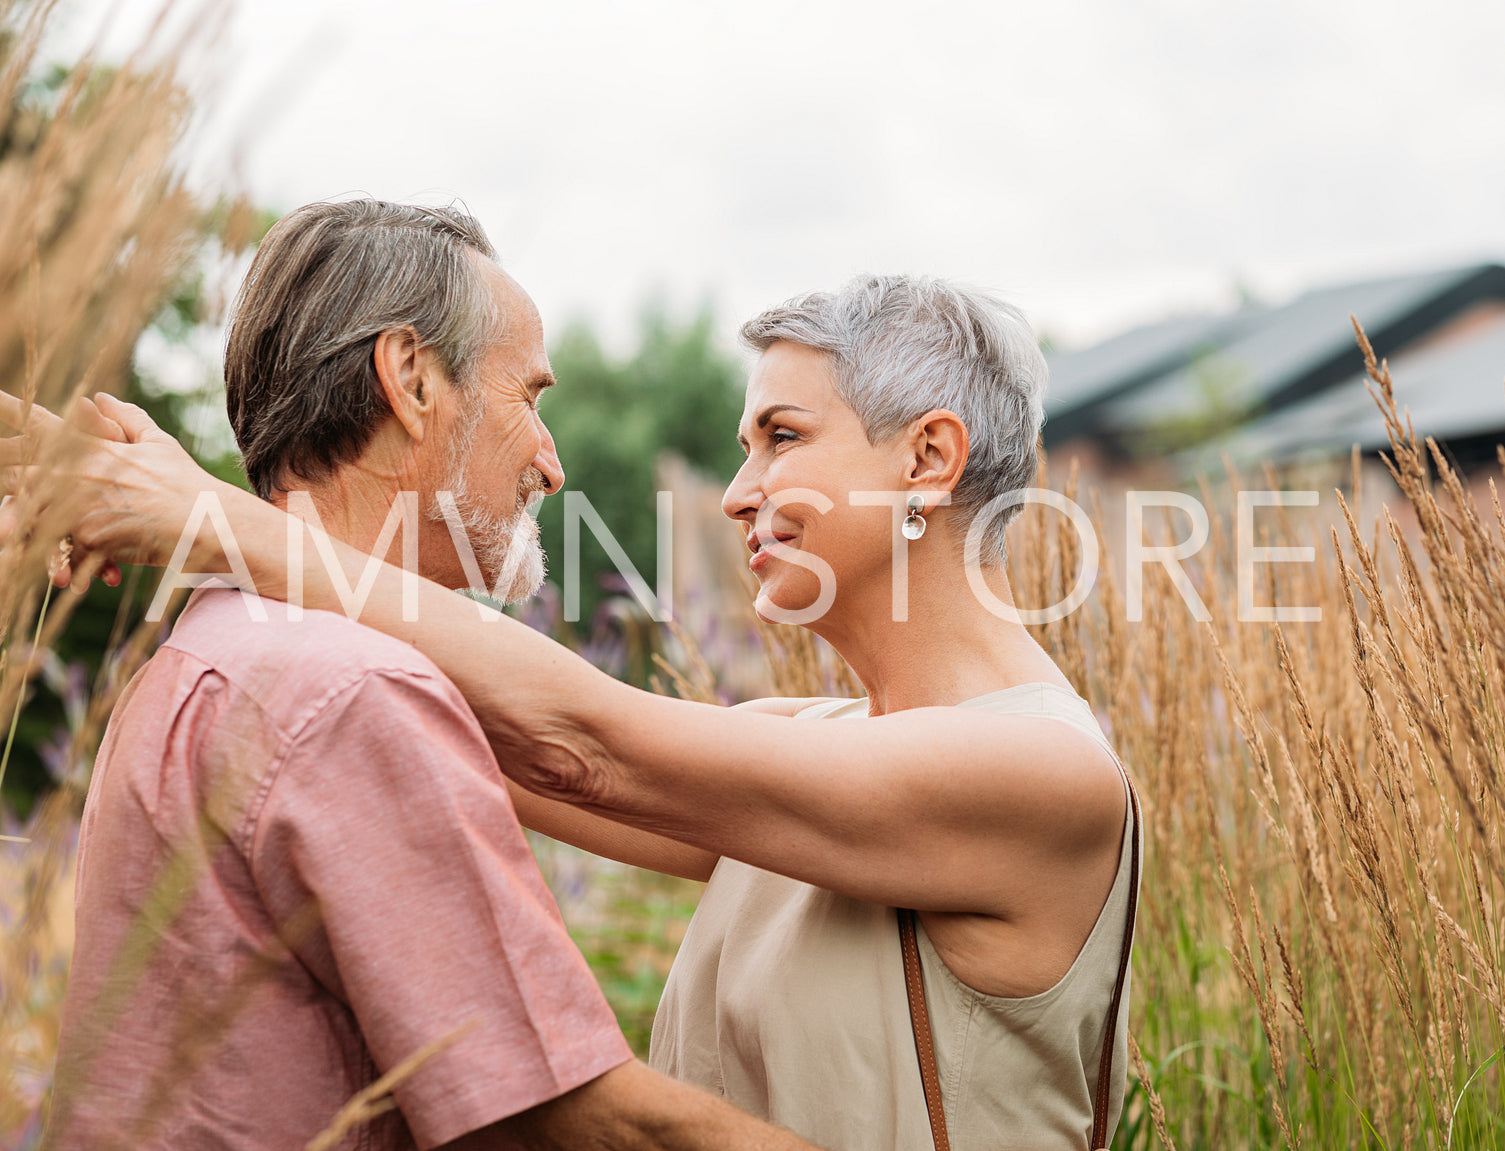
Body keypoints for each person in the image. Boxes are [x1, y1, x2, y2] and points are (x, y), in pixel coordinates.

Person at [2, 274, 1141, 1151]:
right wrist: (171, 518)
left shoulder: (1040, 774)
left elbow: (586, 743)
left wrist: (205, 513)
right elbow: (447, 742)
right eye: (745, 445)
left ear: (928, 459)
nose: (738, 488)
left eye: (781, 438)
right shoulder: (819, 743)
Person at [13, 201, 827, 1151]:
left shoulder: (212, 649)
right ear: (409, 378)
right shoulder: (352, 688)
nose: (551, 465)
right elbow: (567, 1122)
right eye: (531, 397)